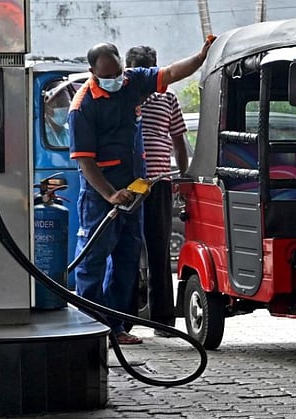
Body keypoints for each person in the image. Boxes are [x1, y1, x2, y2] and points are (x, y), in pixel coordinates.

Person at [69, 37, 214, 345]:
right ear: (92, 72)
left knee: (127, 259)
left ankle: (116, 327)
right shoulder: (82, 107)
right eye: (107, 75)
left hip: (135, 192)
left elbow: (172, 72)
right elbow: (85, 162)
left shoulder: (134, 82)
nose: (114, 79)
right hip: (100, 195)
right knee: (93, 262)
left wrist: (200, 57)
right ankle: (87, 330)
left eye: (117, 71)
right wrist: (110, 194)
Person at [125, 45, 189, 336]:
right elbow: (177, 141)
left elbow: (177, 140)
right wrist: (182, 174)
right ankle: (159, 322)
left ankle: (135, 320)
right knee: (155, 251)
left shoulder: (127, 96)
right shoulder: (159, 96)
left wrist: (182, 176)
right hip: (146, 183)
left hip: (142, 184)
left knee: (136, 250)